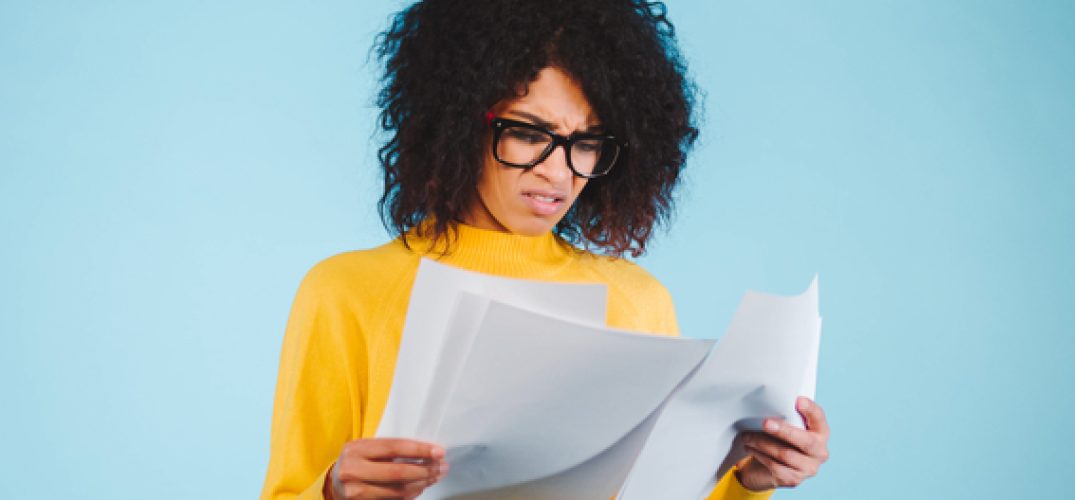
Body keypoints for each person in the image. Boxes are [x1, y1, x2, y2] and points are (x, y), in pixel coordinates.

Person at [260, 1, 830, 499]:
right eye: (530, 133)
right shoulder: (346, 291)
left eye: (585, 143)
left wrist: (749, 479)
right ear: (458, 125)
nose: (558, 173)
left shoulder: (637, 299)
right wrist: (336, 490)